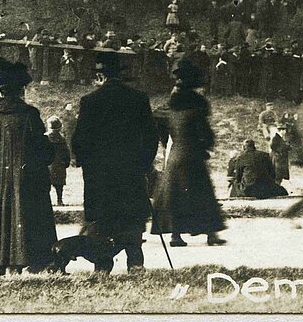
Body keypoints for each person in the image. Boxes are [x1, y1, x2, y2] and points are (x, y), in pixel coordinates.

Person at [72, 53, 160, 271]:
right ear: (121, 74)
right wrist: (143, 163)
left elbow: (80, 139)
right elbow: (151, 136)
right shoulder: (138, 98)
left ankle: (102, 266)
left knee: (102, 220)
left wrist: (86, 163)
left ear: (100, 75)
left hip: (99, 175)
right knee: (131, 218)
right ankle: (136, 264)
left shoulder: (90, 101)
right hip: (130, 171)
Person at [0, 59, 57, 274]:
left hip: (1, 178)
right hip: (29, 177)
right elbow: (44, 151)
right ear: (21, 89)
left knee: (3, 215)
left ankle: (2, 263)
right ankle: (32, 262)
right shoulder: (29, 114)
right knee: (31, 216)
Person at [153, 58, 227, 247]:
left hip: (176, 153)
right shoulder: (198, 103)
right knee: (202, 194)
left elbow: (158, 121)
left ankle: (176, 235)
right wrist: (207, 145)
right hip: (193, 153)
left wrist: (166, 141)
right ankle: (211, 234)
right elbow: (205, 132)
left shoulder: (170, 103)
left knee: (174, 194)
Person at [47, 117, 71, 206]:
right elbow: (66, 151)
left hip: (48, 164)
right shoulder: (61, 139)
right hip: (59, 164)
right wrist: (67, 162)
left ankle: (48, 202)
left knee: (47, 183)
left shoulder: (46, 137)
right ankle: (59, 200)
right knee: (59, 184)